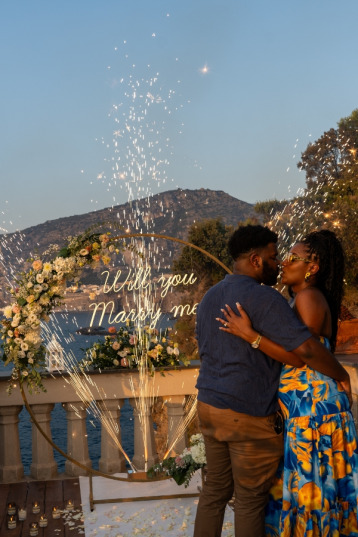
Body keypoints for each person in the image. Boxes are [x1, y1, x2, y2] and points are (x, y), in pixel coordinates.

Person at [193, 225, 351, 537]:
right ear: (255, 260)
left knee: (214, 494)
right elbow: (303, 351)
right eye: (274, 256)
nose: (278, 263)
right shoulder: (264, 297)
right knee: (251, 500)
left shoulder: (210, 296)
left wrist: (252, 338)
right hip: (245, 414)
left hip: (209, 407)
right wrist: (342, 374)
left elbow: (206, 350)